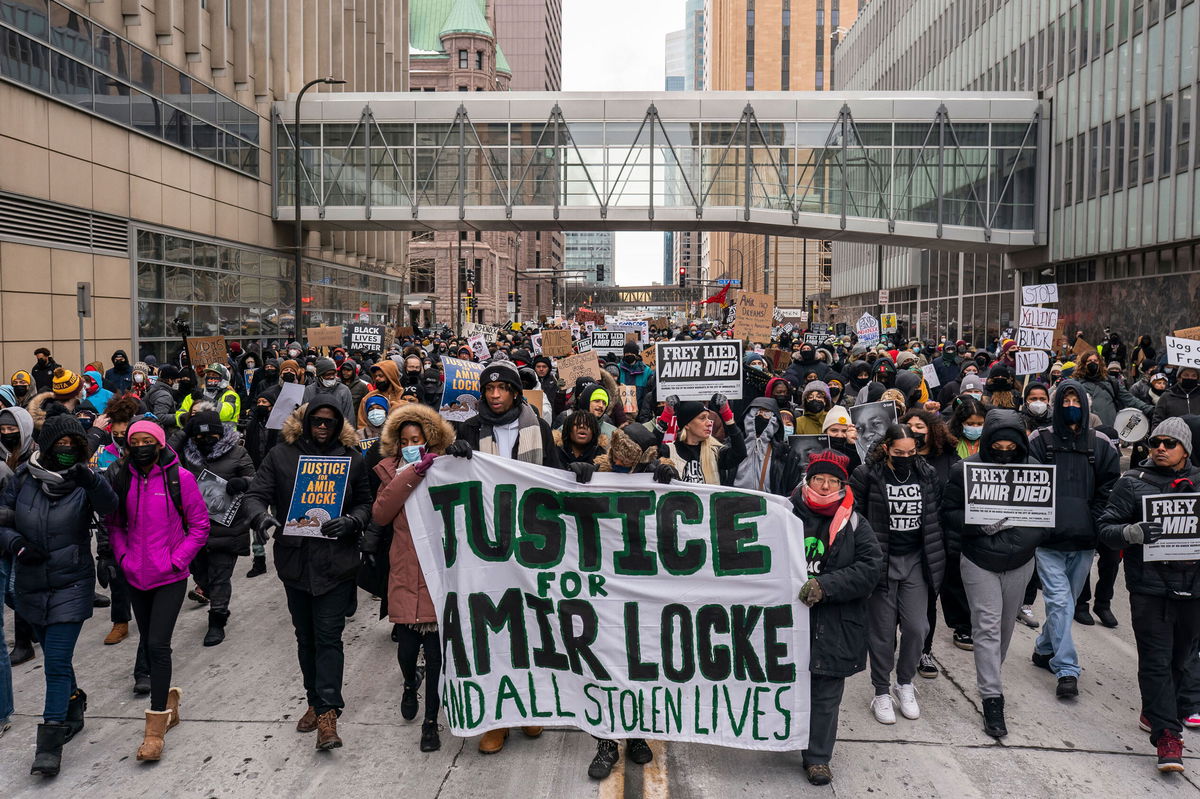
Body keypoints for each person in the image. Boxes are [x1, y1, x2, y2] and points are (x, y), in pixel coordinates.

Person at [242, 399, 373, 751]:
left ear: (338, 425)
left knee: (329, 637)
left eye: (329, 422)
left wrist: (353, 521)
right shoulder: (281, 455)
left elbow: (366, 501)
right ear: (305, 421)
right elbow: (255, 494)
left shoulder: (352, 457)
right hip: (296, 563)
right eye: (316, 420)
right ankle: (314, 700)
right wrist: (262, 518)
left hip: (336, 563)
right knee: (306, 637)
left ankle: (329, 713)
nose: (322, 427)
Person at [442, 361, 556, 753]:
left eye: (502, 388)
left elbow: (554, 478)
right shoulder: (469, 429)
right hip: (486, 546)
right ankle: (497, 720)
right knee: (493, 630)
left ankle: (529, 711)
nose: (494, 395)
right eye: (488, 389)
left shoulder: (537, 428)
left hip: (529, 544)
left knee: (531, 628)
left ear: (514, 392)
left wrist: (581, 472)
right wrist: (453, 455)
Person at [0, 409, 117, 776]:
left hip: (71, 583)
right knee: (57, 657)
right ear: (47, 445)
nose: (66, 450)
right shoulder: (22, 478)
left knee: (53, 662)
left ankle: (49, 743)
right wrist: (16, 543)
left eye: (74, 445)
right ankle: (74, 703)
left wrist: (93, 483)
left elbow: (112, 510)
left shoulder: (87, 480)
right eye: (61, 444)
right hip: (31, 584)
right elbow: (2, 521)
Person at [1098, 418, 1200, 773]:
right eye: (1156, 441)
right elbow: (1105, 528)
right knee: (1156, 662)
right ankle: (1168, 737)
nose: (1160, 447)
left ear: (1185, 449)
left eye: (1169, 443)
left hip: (1193, 589)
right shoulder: (1131, 483)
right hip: (1149, 588)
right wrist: (1131, 532)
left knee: (1179, 661)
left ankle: (1156, 709)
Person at [105, 419, 210, 761]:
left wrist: (178, 560)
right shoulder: (121, 478)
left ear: (161, 444)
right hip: (136, 574)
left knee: (157, 645)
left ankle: (154, 730)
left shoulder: (181, 479)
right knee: (149, 642)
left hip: (170, 576)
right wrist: (122, 557)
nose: (141, 447)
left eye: (148, 440)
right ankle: (170, 703)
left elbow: (199, 526)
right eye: (136, 441)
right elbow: (115, 525)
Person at [941, 409, 1045, 738]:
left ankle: (991, 676)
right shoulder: (964, 470)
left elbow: (1048, 516)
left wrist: (1031, 533)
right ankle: (992, 698)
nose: (1003, 451)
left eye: (1009, 446)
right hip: (979, 560)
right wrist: (976, 524)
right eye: (997, 445)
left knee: (1002, 631)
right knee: (985, 627)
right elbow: (949, 513)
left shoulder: (1036, 471)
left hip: (1020, 561)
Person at [790, 450, 882, 786]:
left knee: (826, 694)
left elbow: (871, 569)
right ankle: (780, 738)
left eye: (833, 481)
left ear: (843, 485)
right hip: (788, 622)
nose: (825, 486)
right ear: (808, 480)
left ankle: (817, 758)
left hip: (835, 624)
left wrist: (826, 586)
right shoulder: (784, 513)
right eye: (819, 479)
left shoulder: (856, 522)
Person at [369, 402, 455, 753]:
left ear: (429, 440)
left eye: (417, 438)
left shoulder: (445, 469)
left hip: (436, 574)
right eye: (404, 439)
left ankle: (431, 723)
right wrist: (412, 472)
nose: (410, 444)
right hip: (405, 571)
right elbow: (381, 512)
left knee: (435, 657)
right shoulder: (390, 472)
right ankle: (409, 683)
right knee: (407, 651)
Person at [1027, 380, 1121, 697]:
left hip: (1083, 542)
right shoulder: (1040, 440)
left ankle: (1044, 648)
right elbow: (1029, 483)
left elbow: (1110, 488)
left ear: (1084, 403)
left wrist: (1095, 524)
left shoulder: (1101, 444)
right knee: (1060, 601)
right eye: (1065, 399)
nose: (1071, 405)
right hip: (1048, 541)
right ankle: (1066, 668)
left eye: (1075, 399)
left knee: (1062, 606)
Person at [850, 424, 945, 724]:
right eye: (898, 452)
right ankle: (881, 690)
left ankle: (904, 683)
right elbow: (856, 518)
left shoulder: (927, 474)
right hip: (882, 562)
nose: (905, 457)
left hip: (916, 559)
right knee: (881, 633)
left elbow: (934, 515)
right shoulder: (867, 476)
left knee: (918, 628)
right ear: (886, 449)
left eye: (911, 452)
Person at [178, 411, 256, 646]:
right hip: (193, 528)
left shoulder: (237, 453)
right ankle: (210, 593)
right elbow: (165, 458)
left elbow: (257, 480)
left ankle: (217, 619)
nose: (205, 440)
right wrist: (183, 432)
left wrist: (243, 483)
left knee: (221, 576)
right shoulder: (186, 454)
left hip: (228, 527)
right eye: (199, 436)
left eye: (211, 435)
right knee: (200, 573)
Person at [653, 396, 746, 486]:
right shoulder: (670, 450)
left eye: (708, 418)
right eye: (702, 418)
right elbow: (651, 451)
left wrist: (728, 417)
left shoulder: (715, 452)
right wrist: (665, 418)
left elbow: (740, 453)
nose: (709, 423)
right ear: (687, 425)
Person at [1074, 349, 1152, 427]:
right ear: (1083, 364)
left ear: (1100, 363)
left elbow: (1130, 399)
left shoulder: (1111, 382)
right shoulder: (1076, 384)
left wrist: (1149, 409)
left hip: (1108, 427)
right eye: (1089, 361)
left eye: (1095, 360)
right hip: (1085, 428)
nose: (1093, 363)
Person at [175, 364, 240, 426]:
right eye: (208, 374)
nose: (210, 377)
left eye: (214, 375)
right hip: (197, 434)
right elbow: (179, 415)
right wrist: (188, 417)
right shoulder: (194, 395)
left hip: (225, 435)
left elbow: (225, 414)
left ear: (223, 378)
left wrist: (203, 399)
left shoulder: (231, 395)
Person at [303, 357, 355, 423]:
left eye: (333, 374)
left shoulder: (344, 391)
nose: (332, 377)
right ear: (320, 376)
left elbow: (349, 417)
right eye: (328, 374)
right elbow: (304, 415)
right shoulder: (309, 390)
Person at [616, 342, 656, 422]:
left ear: (636, 355)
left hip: (640, 413)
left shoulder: (646, 371)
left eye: (631, 353)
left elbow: (649, 394)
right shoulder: (617, 369)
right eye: (627, 353)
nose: (629, 355)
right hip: (621, 414)